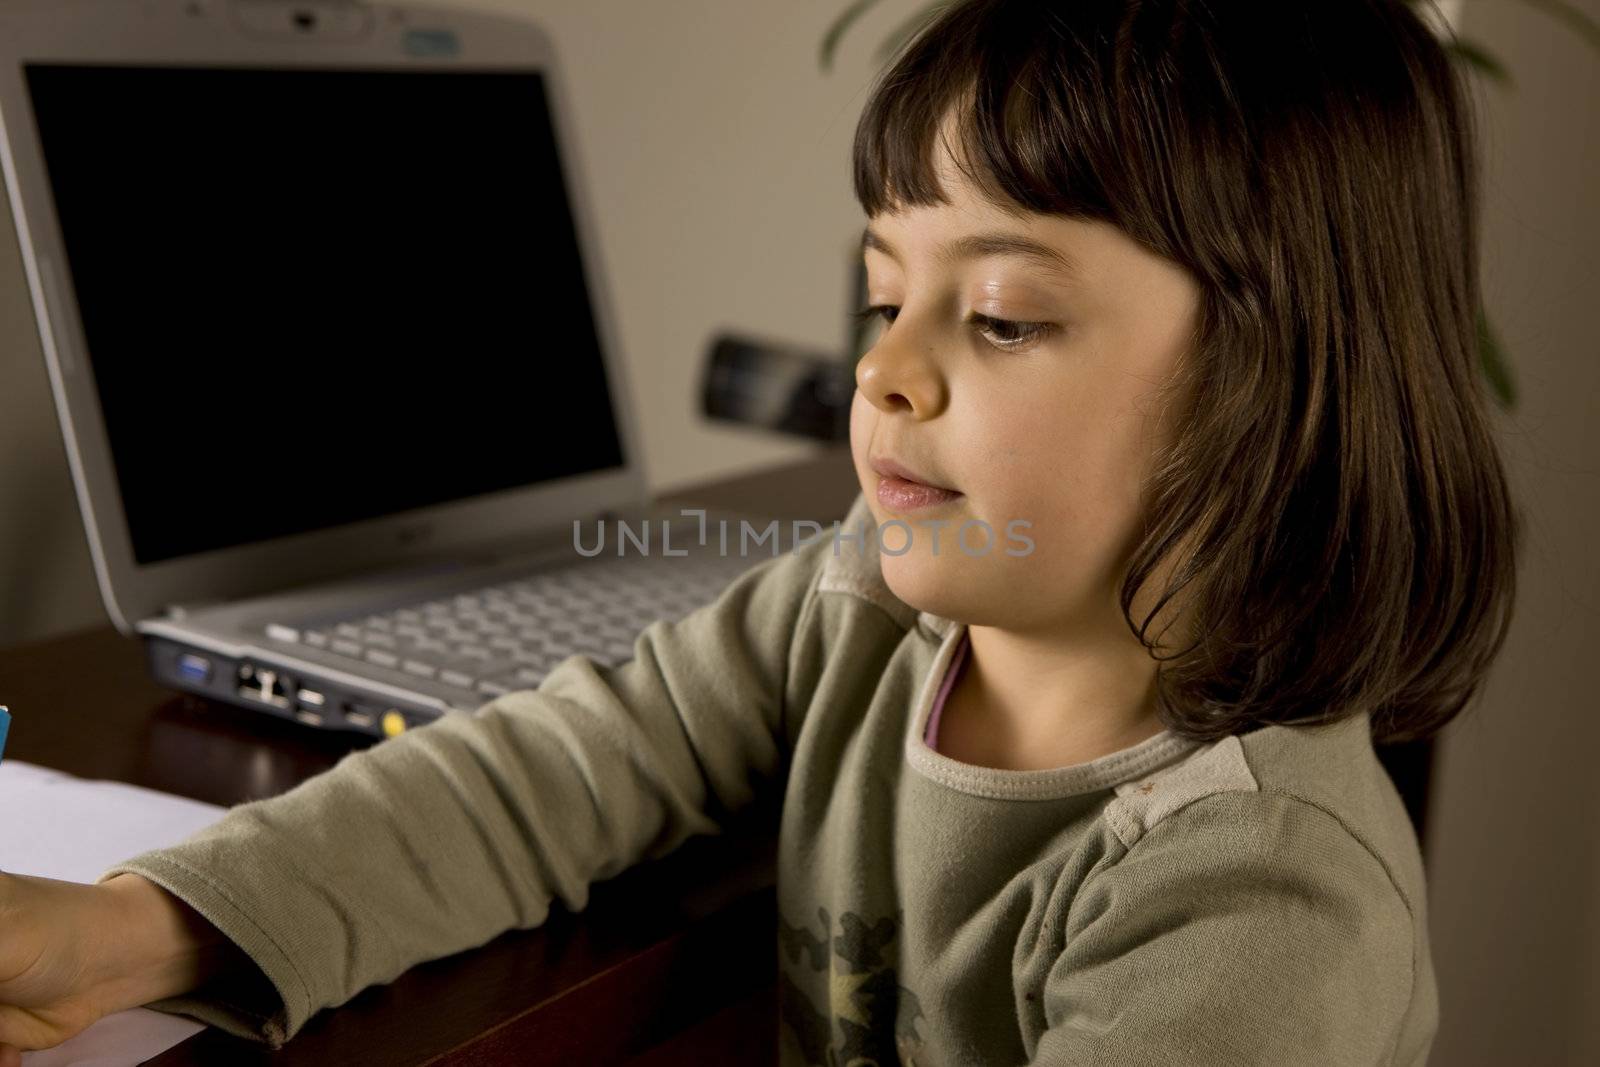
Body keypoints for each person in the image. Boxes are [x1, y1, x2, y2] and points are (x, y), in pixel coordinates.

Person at [0, 0, 1522, 1063]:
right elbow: (554, 771)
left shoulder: (1261, 891)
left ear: (1275, 382)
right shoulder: (856, 605)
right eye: (884, 294)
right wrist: (131, 935)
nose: (882, 369)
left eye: (998, 314)